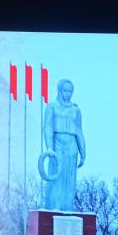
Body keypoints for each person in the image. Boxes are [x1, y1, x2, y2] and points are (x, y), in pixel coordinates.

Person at [42, 79, 86, 211]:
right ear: (59, 90)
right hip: (57, 143)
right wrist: (49, 147)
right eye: (65, 90)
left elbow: (79, 130)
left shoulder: (75, 109)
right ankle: (54, 207)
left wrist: (83, 152)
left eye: (70, 91)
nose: (67, 93)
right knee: (57, 176)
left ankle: (67, 208)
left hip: (72, 145)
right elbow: (47, 127)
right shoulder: (52, 106)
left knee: (70, 178)